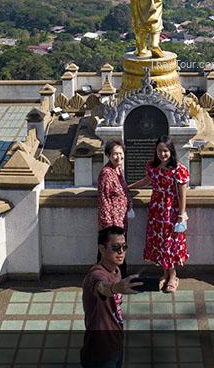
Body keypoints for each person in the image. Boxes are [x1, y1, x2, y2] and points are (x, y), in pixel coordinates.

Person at [129, 135, 188, 293]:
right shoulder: (153, 167)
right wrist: (127, 187)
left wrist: (181, 214)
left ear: (171, 151)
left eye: (165, 151)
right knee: (160, 243)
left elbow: (183, 194)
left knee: (171, 244)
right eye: (159, 151)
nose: (162, 154)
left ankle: (173, 276)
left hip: (171, 211)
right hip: (156, 211)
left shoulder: (178, 170)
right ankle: (164, 274)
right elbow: (145, 181)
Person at [80, 226, 142, 368]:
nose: (121, 252)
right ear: (102, 249)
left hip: (116, 344)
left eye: (124, 247)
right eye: (115, 247)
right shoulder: (96, 275)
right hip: (100, 352)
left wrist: (160, 284)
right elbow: (102, 287)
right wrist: (115, 288)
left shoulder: (116, 270)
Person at [98, 140, 132, 231]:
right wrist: (108, 225)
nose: (119, 157)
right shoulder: (106, 173)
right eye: (115, 154)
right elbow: (104, 199)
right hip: (112, 222)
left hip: (121, 220)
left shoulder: (118, 170)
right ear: (108, 156)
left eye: (121, 153)